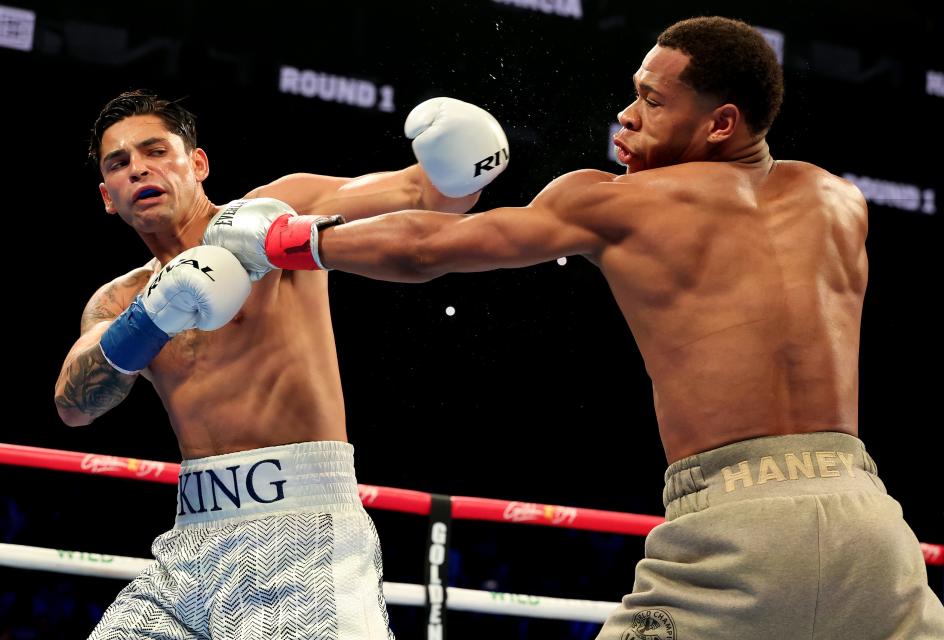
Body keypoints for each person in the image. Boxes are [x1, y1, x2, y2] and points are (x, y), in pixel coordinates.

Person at [206, 16, 944, 638]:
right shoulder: (840, 200)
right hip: (876, 534)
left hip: (740, 532)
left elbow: (430, 247)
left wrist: (285, 243)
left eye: (653, 103)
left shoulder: (617, 205)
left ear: (720, 123)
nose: (625, 117)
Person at [53, 90, 509, 639]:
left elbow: (428, 193)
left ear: (197, 164)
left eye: (155, 151)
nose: (139, 169)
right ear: (108, 196)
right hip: (187, 546)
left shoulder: (276, 213)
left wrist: (462, 156)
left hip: (304, 531)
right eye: (119, 163)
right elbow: (75, 406)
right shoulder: (121, 299)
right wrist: (151, 317)